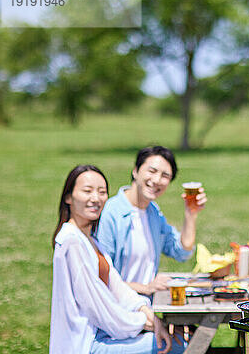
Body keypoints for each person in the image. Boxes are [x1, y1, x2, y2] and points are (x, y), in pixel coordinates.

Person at [50, 164, 185, 354]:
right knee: (180, 344)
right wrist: (146, 324)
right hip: (86, 344)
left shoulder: (91, 240)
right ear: (68, 197)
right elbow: (99, 307)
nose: (95, 198)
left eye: (102, 192)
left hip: (104, 333)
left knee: (182, 336)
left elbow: (117, 288)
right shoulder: (72, 242)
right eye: (87, 191)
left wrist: (148, 314)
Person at [97, 146, 207, 296]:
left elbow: (181, 252)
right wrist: (146, 288)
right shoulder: (111, 213)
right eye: (152, 171)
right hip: (118, 307)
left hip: (145, 305)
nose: (156, 180)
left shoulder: (152, 212)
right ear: (135, 171)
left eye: (165, 176)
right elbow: (101, 277)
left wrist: (190, 213)